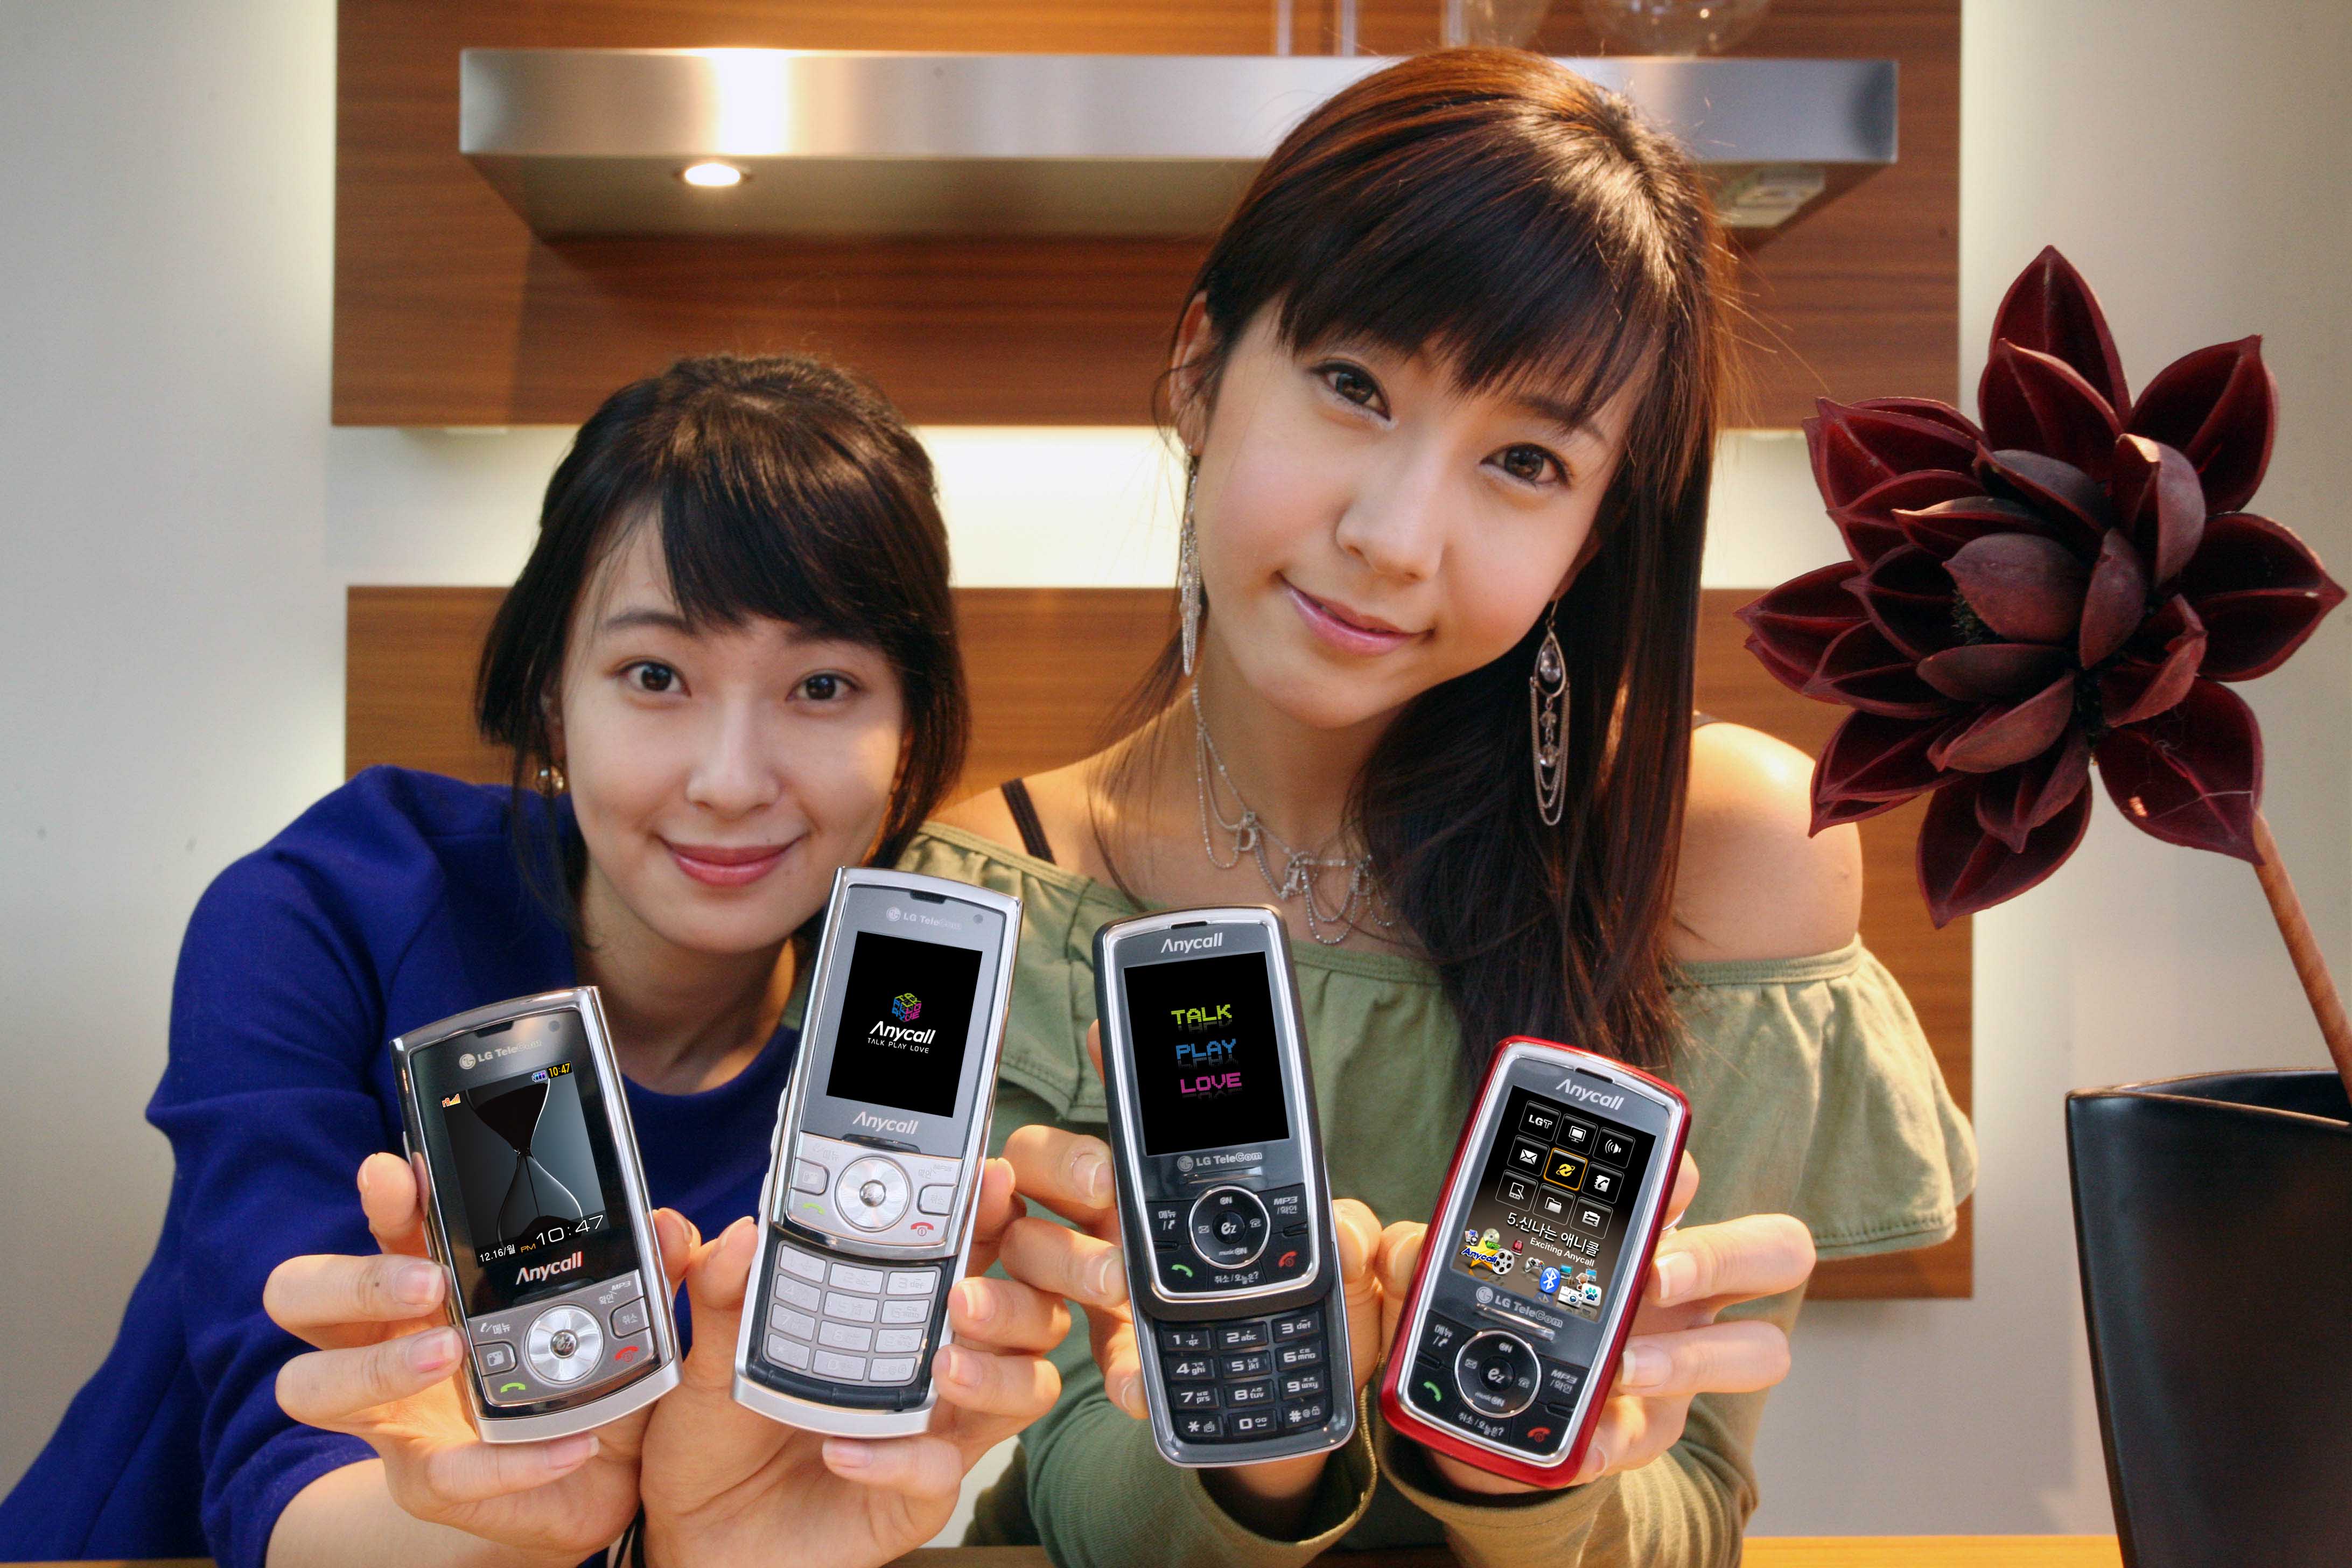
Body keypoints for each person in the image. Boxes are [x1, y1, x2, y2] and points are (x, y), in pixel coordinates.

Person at [917, 51, 1978, 1566]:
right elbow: (1078, 1496)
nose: (1398, 537)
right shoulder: (990, 896)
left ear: (1593, 537)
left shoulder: (1720, 850)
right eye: (1355, 387)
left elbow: (1692, 1513)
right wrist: (1270, 1434)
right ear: (1201, 372)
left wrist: (1513, 1466)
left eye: (1526, 461)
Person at [0, 354, 1068, 1568]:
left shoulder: (916, 1043)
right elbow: (278, 1469)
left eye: (822, 685)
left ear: (908, 729)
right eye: (655, 676)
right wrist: (512, 1519)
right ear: (553, 698)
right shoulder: (329, 910)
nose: (730, 780)